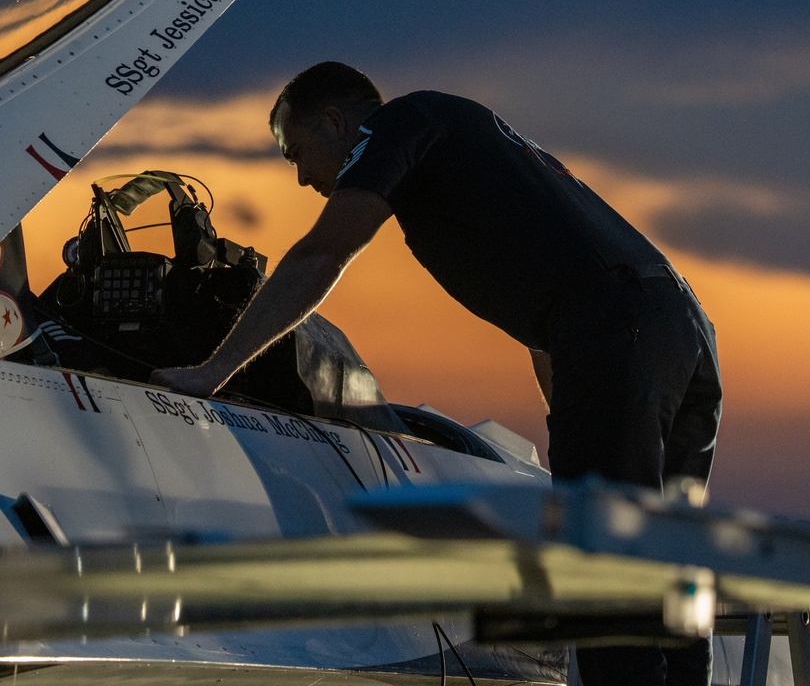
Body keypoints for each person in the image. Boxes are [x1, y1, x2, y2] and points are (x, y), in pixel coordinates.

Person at [150, 61, 722, 685]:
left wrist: (213, 372)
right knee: (669, 560)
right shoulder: (473, 146)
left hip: (620, 329)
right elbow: (550, 321)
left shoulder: (401, 123)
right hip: (679, 326)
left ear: (337, 122)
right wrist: (580, 434)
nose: (302, 176)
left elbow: (323, 250)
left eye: (298, 152)